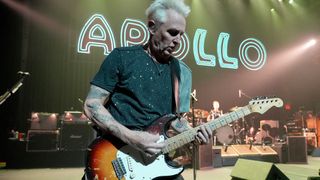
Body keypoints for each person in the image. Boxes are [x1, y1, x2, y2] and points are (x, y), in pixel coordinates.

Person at [83, 0, 212, 179]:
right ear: (152, 27)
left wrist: (193, 133)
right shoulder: (122, 58)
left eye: (182, 35)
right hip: (116, 156)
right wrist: (131, 137)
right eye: (172, 32)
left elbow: (174, 120)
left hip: (155, 160)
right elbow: (92, 105)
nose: (178, 41)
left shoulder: (180, 72)